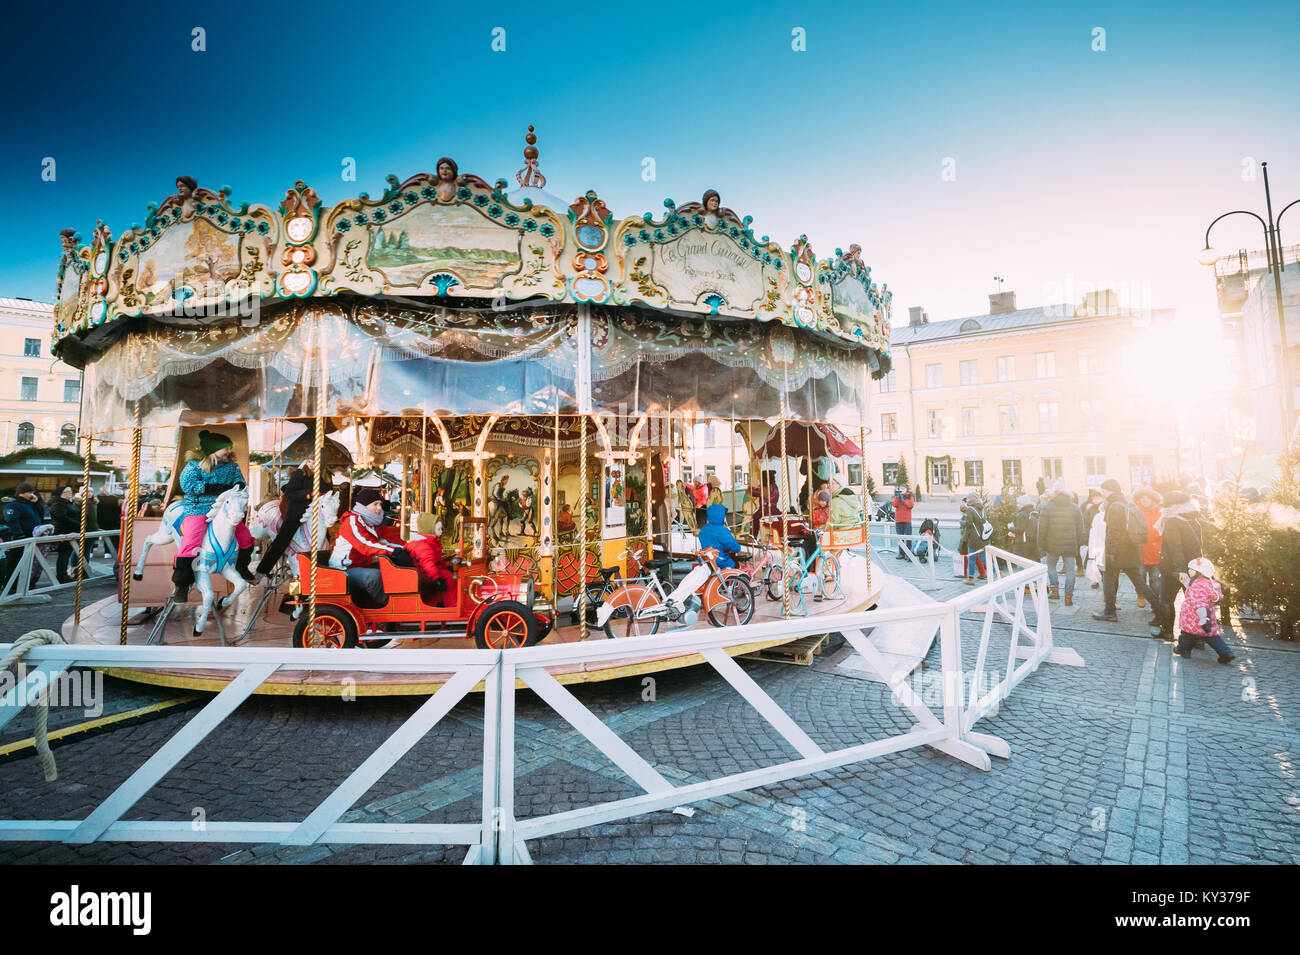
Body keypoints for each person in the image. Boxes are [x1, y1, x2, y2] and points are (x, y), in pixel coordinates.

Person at [173, 431, 256, 602]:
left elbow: (239, 481)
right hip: (199, 507)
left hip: (223, 508)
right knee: (191, 541)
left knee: (245, 536)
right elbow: (187, 484)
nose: (228, 451)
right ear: (213, 449)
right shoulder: (194, 466)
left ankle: (242, 566)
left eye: (228, 448)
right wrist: (213, 488)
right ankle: (182, 584)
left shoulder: (231, 466)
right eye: (224, 448)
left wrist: (239, 485)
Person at [330, 487, 410, 606]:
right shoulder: (352, 521)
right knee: (375, 576)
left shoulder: (369, 522)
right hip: (344, 569)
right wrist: (393, 552)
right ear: (364, 506)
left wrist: (406, 549)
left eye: (380, 504)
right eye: (375, 504)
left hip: (359, 564)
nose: (379, 508)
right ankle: (387, 605)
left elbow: (383, 541)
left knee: (392, 568)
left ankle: (401, 599)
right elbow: (365, 544)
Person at [1092, 478, 1156, 622]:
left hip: (1117, 552)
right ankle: (1160, 609)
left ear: (1109, 490)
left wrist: (1110, 552)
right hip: (1131, 550)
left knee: (1108, 581)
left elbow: (1113, 532)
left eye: (1103, 491)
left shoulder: (1114, 506)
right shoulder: (1126, 503)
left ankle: (1110, 612)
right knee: (1140, 583)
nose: (1102, 494)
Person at [254, 460, 329, 578]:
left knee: (325, 538)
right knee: (281, 541)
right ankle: (262, 571)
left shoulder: (323, 476)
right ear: (306, 462)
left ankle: (323, 570)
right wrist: (309, 494)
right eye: (310, 462)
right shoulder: (299, 474)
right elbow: (289, 493)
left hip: (315, 513)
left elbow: (327, 492)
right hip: (296, 513)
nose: (312, 464)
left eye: (315, 462)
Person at [1152, 490, 1203, 639]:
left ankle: (1167, 632)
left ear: (1173, 506)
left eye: (1166, 506)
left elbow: (1176, 548)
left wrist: (1181, 571)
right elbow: (1199, 545)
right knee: (1194, 602)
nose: (1163, 509)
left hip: (1174, 569)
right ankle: (1198, 638)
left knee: (1166, 599)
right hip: (1194, 567)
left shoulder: (1173, 521)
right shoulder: (1192, 518)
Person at [1176, 558, 1234, 664]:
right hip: (1207, 614)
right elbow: (1214, 596)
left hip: (1193, 615)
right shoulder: (1208, 583)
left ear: (1200, 572)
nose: (1189, 571)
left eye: (1192, 569)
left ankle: (1184, 649)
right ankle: (1225, 652)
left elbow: (1199, 601)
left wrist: (1203, 617)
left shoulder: (1198, 585)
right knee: (1211, 635)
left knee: (1186, 633)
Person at [1037, 482, 1084, 605]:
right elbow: (1080, 528)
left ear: (1054, 492)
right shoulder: (1075, 507)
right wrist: (1077, 542)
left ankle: (1054, 591)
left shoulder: (1047, 507)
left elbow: (1042, 528)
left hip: (1052, 544)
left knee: (1051, 566)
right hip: (1070, 544)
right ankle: (1068, 597)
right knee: (1070, 570)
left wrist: (1041, 545)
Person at [1133, 486, 1163, 612]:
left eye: (1147, 497)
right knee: (1140, 575)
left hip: (1156, 550)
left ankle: (1155, 602)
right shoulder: (1135, 511)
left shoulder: (1161, 512)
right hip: (1139, 550)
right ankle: (1140, 595)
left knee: (1155, 579)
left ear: (1152, 499)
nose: (1145, 500)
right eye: (1142, 497)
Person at [49, 484, 81, 584]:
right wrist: (78, 524)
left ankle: (64, 574)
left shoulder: (68, 503)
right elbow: (62, 518)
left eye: (70, 491)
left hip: (71, 531)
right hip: (63, 532)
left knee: (67, 554)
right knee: (63, 554)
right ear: (61, 494)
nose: (70, 493)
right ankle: (61, 575)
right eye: (67, 492)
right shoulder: (58, 504)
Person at [697, 503, 742, 569]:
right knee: (735, 565)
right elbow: (735, 548)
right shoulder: (722, 530)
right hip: (719, 560)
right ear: (721, 516)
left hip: (705, 559)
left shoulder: (704, 528)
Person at [959, 493, 988, 584]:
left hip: (974, 538)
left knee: (971, 558)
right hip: (983, 537)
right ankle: (998, 573)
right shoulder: (982, 509)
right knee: (984, 558)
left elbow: (968, 524)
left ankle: (970, 579)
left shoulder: (970, 509)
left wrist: (962, 522)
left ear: (970, 499)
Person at [1009, 493, 1042, 564]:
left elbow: (1020, 529)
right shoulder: (1034, 512)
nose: (1017, 505)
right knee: (1035, 564)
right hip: (1034, 542)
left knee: (1022, 565)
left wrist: (1010, 528)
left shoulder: (1022, 514)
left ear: (1023, 504)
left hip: (1023, 544)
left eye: (1019, 503)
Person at [891, 485, 914, 559]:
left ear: (906, 490)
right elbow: (894, 504)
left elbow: (910, 505)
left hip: (907, 520)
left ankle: (909, 554)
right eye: (900, 489)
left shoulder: (910, 497)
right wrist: (897, 497)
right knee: (900, 538)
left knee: (908, 537)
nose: (902, 490)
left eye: (903, 489)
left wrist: (903, 500)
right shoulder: (897, 496)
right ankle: (901, 553)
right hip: (898, 520)